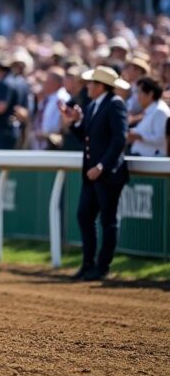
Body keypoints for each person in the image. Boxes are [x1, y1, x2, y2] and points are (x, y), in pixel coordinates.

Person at [59, 66, 130, 281]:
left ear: (100, 86)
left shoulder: (115, 104)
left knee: (108, 221)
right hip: (92, 174)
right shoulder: (93, 106)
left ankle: (102, 267)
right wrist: (76, 121)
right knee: (84, 216)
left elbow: (119, 139)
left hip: (107, 174)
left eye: (90, 83)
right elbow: (87, 137)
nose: (87, 86)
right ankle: (88, 264)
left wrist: (101, 166)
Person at [127, 76, 170, 156]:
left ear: (150, 94)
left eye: (140, 92)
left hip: (152, 163)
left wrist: (139, 136)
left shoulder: (159, 111)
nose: (137, 97)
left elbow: (160, 138)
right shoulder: (151, 110)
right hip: (141, 161)